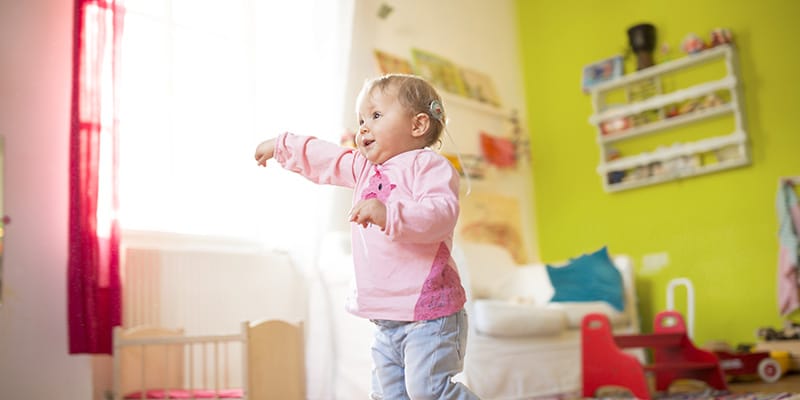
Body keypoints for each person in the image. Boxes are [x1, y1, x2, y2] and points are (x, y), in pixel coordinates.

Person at [254, 74, 479, 400]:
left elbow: (441, 214)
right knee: (388, 396)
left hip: (429, 314)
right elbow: (325, 157)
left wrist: (390, 213)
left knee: (429, 392)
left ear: (417, 125)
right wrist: (281, 146)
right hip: (386, 320)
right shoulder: (363, 168)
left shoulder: (428, 166)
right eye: (360, 119)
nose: (363, 127)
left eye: (375, 116)